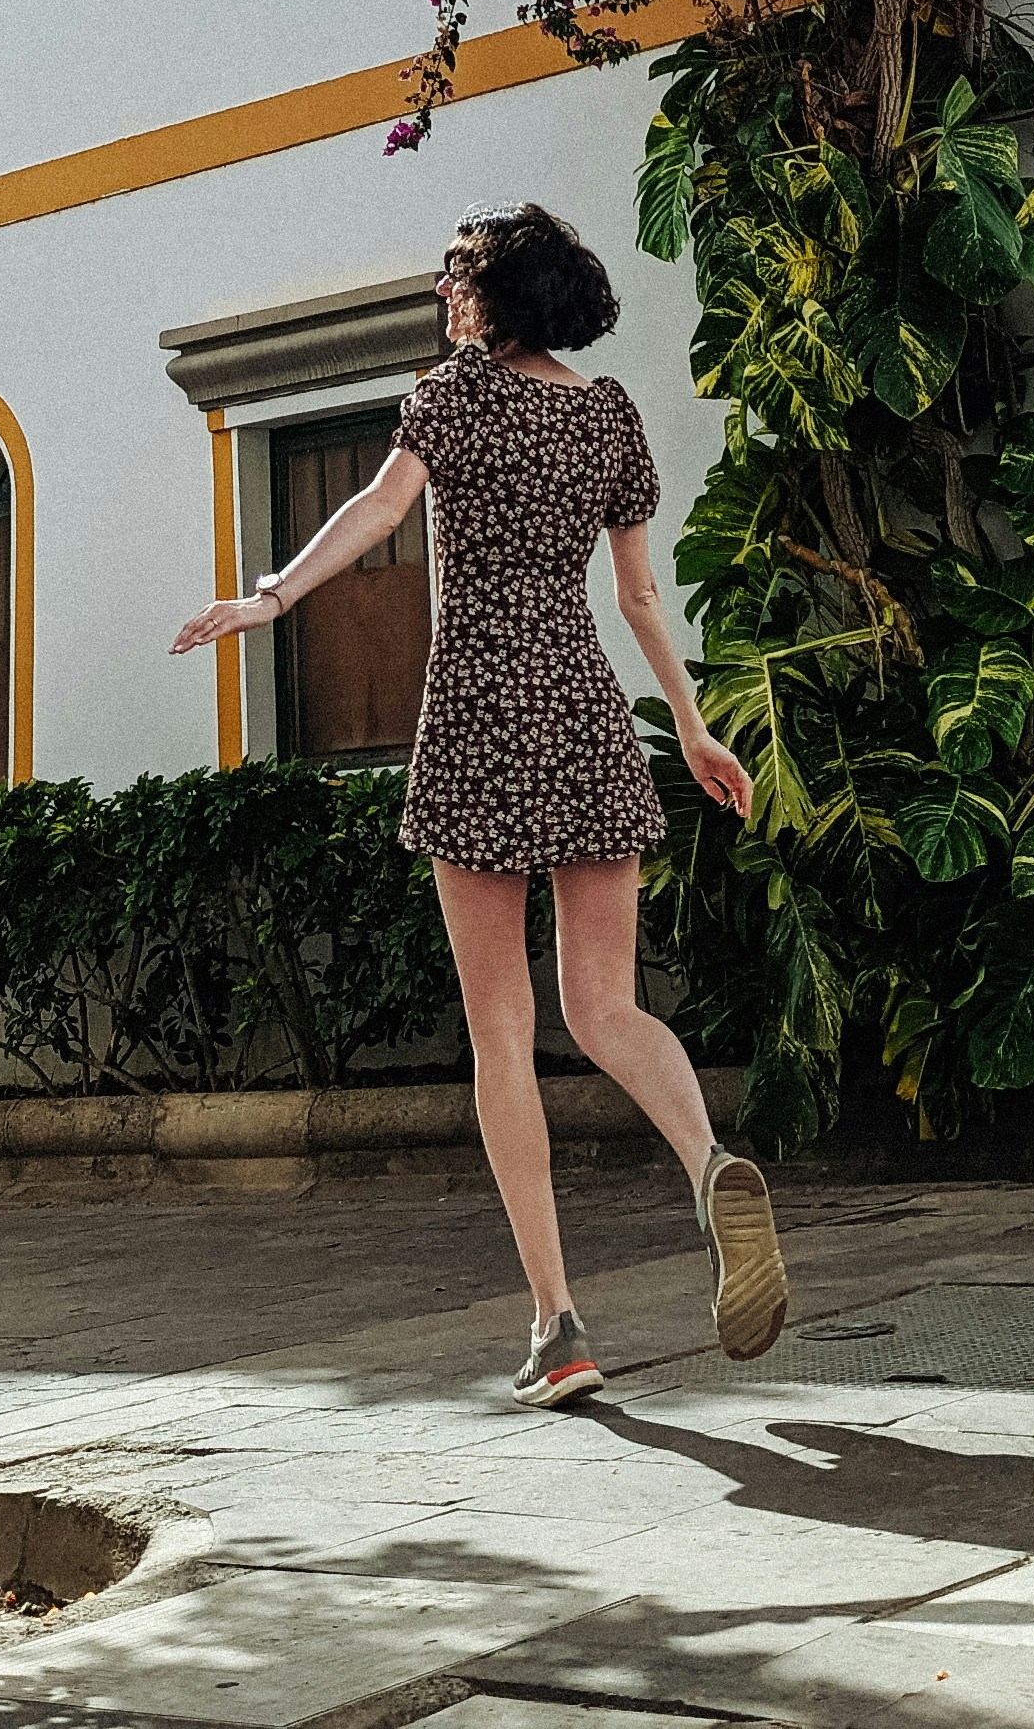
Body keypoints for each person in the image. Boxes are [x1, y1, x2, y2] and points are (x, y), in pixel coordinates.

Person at [172, 199, 787, 1404]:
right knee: (607, 1008)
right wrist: (699, 727)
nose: (445, 299)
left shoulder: (451, 398)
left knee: (503, 1031)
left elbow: (379, 511)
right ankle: (708, 1162)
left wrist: (274, 597)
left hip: (477, 720)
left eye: (456, 280)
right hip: (587, 714)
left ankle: (559, 1323)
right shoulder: (607, 415)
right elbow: (642, 598)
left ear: (492, 296)